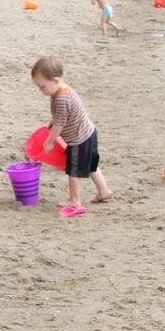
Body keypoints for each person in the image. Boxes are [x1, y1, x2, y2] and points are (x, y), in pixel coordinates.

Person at [30, 57, 114, 216]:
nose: (41, 91)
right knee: (91, 166)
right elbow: (63, 115)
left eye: (42, 87)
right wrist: (53, 120)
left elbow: (60, 123)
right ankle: (104, 191)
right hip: (89, 133)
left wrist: (50, 141)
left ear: (55, 80)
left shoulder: (61, 98)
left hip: (79, 140)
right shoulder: (63, 87)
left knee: (73, 171)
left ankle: (75, 200)